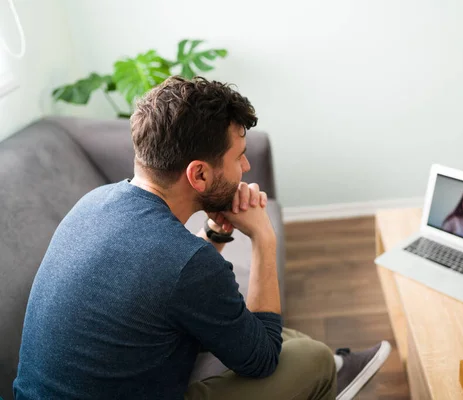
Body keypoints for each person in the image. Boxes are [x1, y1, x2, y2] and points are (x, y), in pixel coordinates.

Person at [13, 76, 390, 400]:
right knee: (312, 359)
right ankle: (330, 372)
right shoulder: (189, 263)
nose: (246, 166)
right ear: (200, 175)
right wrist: (263, 238)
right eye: (239, 157)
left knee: (246, 325)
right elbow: (261, 361)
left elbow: (168, 279)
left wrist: (216, 231)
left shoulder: (95, 202)